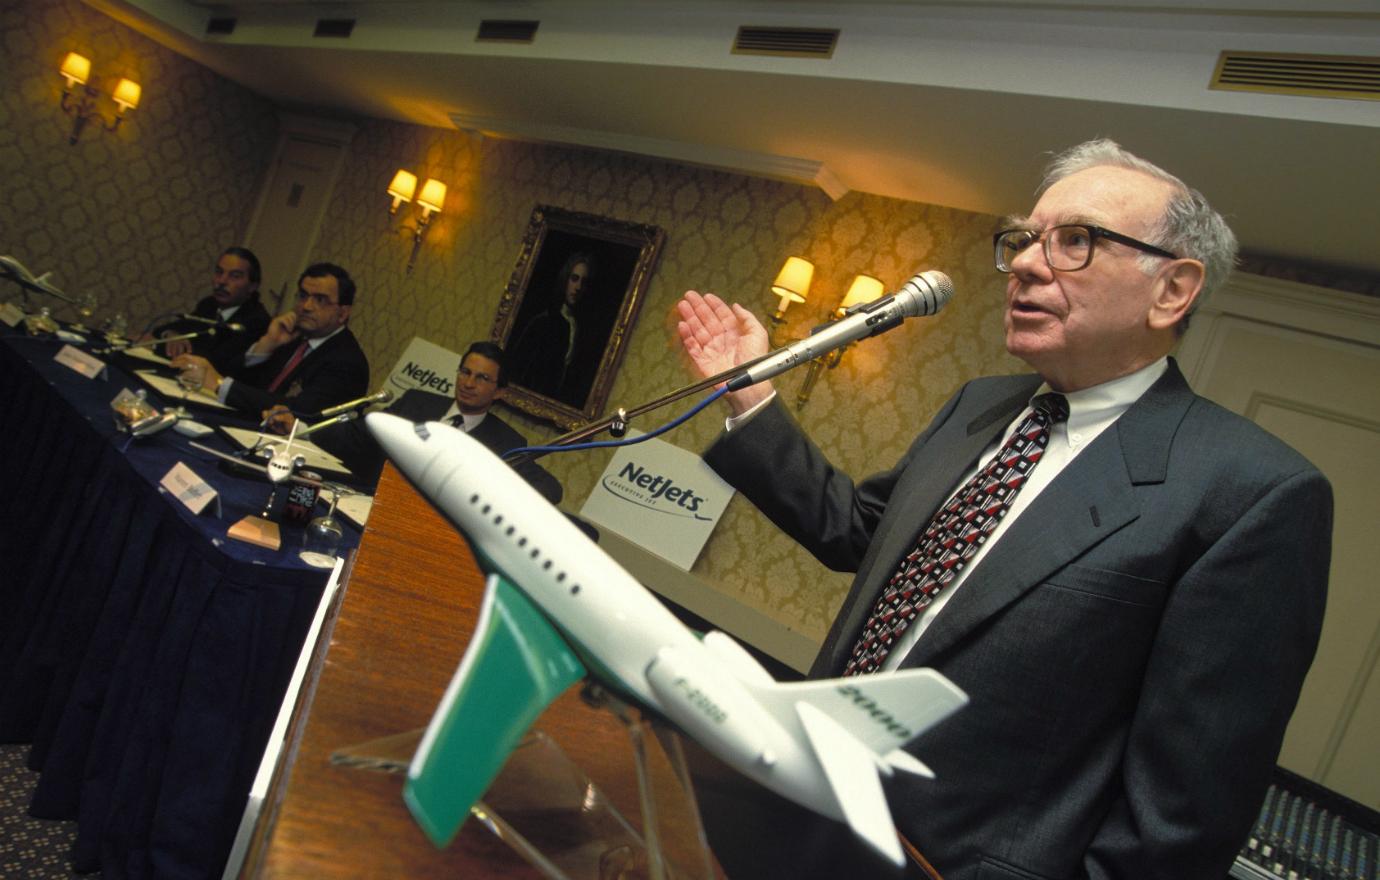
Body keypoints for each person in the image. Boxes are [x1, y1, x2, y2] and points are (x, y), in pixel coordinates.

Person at [674, 139, 1332, 879]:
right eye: (1024, 239)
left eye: (1075, 240)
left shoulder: (1250, 492)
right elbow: (858, 532)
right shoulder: (978, 407)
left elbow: (1182, 819)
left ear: (1172, 290)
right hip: (794, 799)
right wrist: (752, 401)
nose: (1022, 263)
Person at [304, 341, 563, 504]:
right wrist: (304, 430)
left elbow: (550, 489)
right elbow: (358, 434)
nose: (469, 383)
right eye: (465, 372)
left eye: (482, 378)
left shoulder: (505, 441)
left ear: (499, 392)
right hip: (372, 502)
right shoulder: (416, 403)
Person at [172, 261, 369, 420]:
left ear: (343, 313)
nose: (306, 306)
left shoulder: (347, 362)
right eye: (303, 296)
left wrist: (220, 384)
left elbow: (298, 412)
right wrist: (266, 344)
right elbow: (244, 382)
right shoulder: (294, 337)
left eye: (320, 300)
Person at [150, 247, 271, 373]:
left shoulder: (257, 321)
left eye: (234, 276)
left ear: (252, 286)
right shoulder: (209, 304)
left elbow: (215, 362)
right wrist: (171, 334)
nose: (222, 281)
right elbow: (169, 328)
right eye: (219, 272)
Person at [510, 251, 597, 405]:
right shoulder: (543, 322)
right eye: (574, 279)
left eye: (584, 282)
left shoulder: (582, 330)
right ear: (565, 280)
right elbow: (518, 369)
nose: (578, 287)